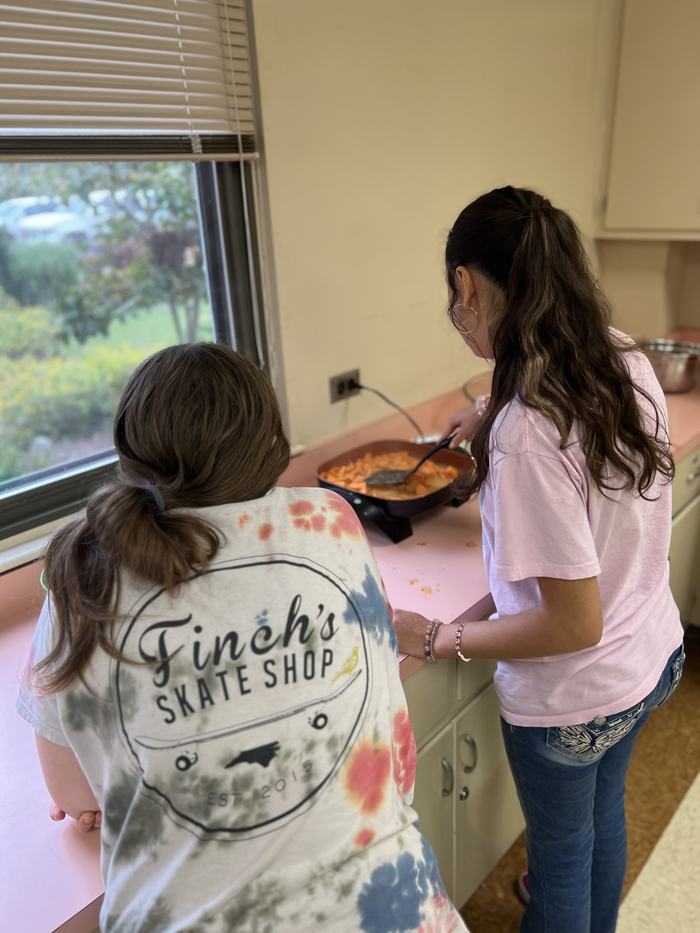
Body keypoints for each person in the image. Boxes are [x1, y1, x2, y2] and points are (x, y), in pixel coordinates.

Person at [17, 343, 467, 933]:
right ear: (271, 444)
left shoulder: (84, 571)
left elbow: (73, 791)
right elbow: (395, 762)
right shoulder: (330, 520)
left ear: (130, 452)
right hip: (397, 910)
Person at [392, 186, 685, 933]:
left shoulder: (528, 434)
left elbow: (569, 624)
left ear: (466, 282)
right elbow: (565, 409)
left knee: (559, 857)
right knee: (598, 820)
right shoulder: (618, 352)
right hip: (649, 660)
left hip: (576, 694)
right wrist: (491, 407)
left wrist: (435, 636)